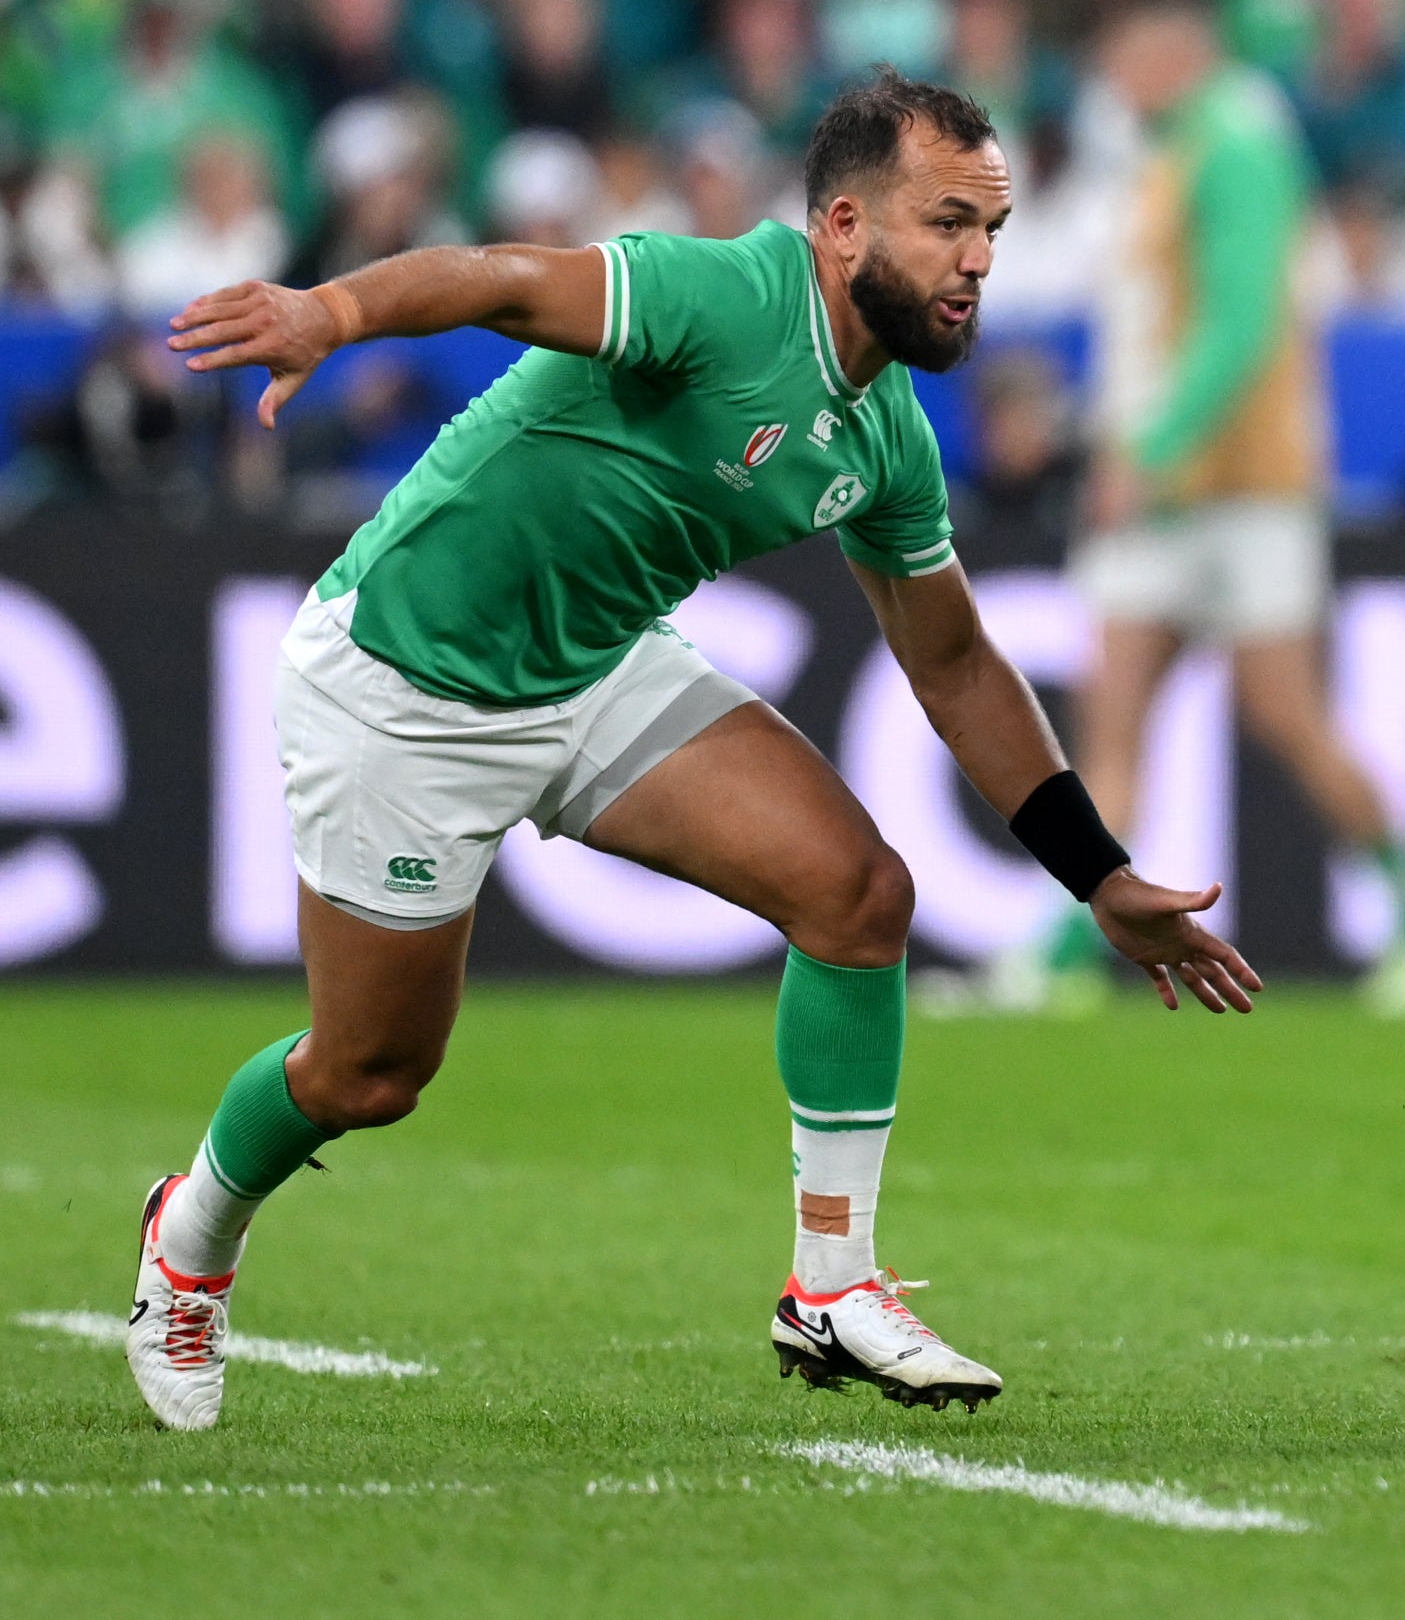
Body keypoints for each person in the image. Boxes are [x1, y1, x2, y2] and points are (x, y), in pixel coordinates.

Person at [130, 71, 1256, 1433]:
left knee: (858, 896)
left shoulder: (890, 430)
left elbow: (952, 661)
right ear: (842, 225)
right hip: (406, 683)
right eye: (948, 222)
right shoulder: (720, 296)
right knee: (369, 1074)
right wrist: (331, 311)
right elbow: (507, 280)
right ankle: (191, 1234)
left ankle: (831, 1288)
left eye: (995, 230)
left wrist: (1098, 876)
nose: (976, 262)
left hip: (596, 662)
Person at [1048, 0, 1405, 1019]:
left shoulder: (1235, 144)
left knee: (1282, 714)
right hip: (1179, 488)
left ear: (1172, 46)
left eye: (1122, 53)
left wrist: (1150, 447)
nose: (1111, 79)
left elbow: (1245, 320)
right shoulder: (1179, 149)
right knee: (1113, 716)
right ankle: (1068, 948)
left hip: (1238, 488)